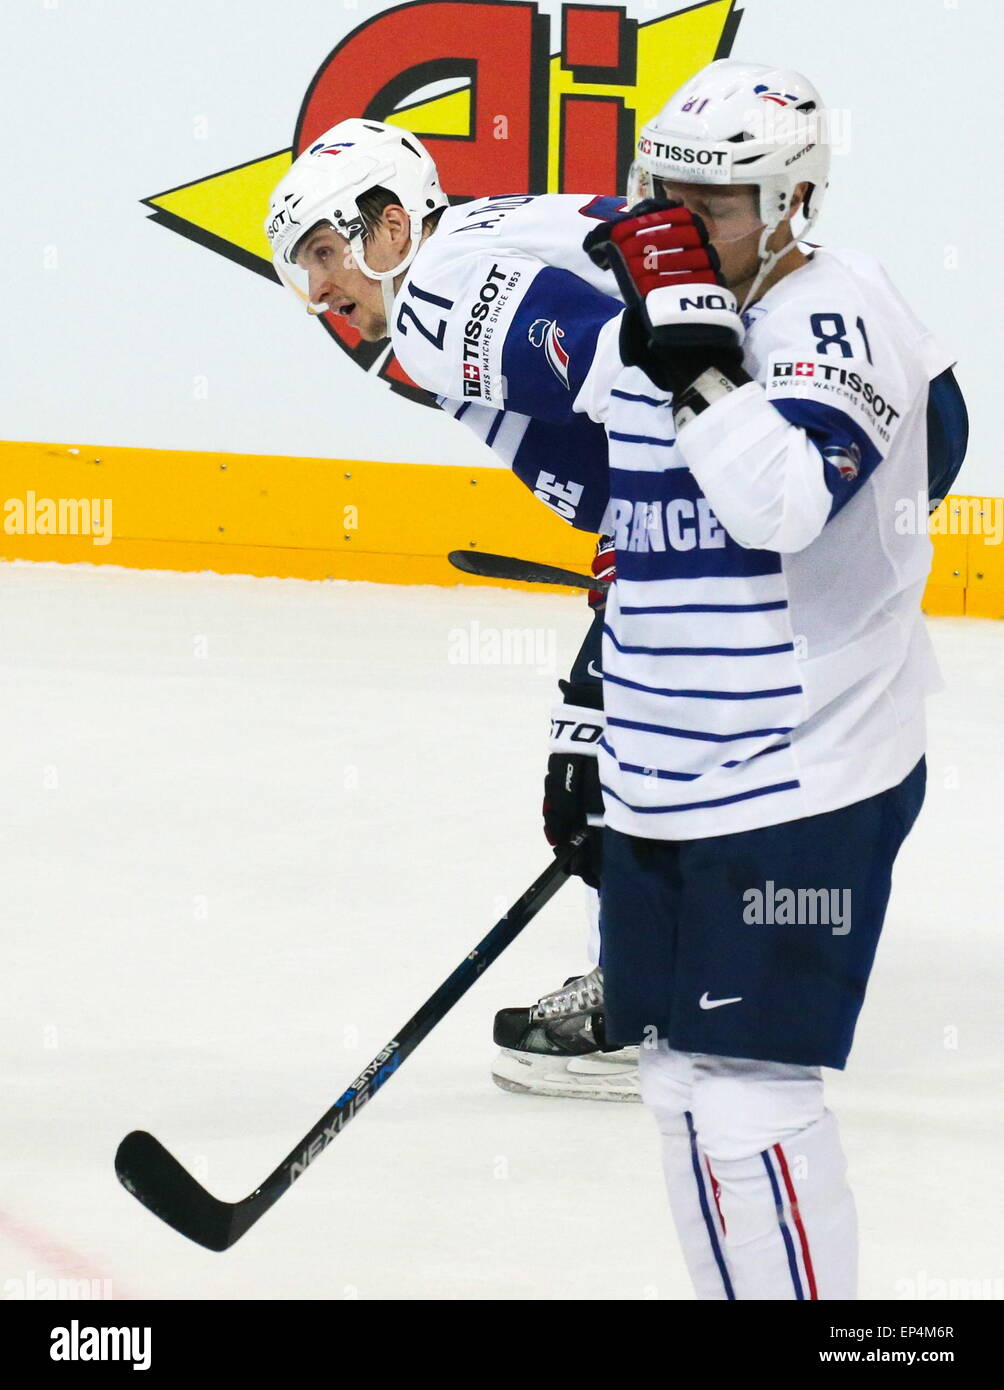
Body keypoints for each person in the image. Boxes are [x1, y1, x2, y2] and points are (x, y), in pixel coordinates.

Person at [266, 60, 967, 1298]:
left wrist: (689, 381)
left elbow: (693, 416)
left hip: (809, 690)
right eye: (298, 270)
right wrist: (600, 708)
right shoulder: (454, 332)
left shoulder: (441, 285)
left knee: (745, 1092)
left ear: (389, 226)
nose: (317, 288)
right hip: (721, 678)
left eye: (326, 250)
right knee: (688, 1082)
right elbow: (624, 495)